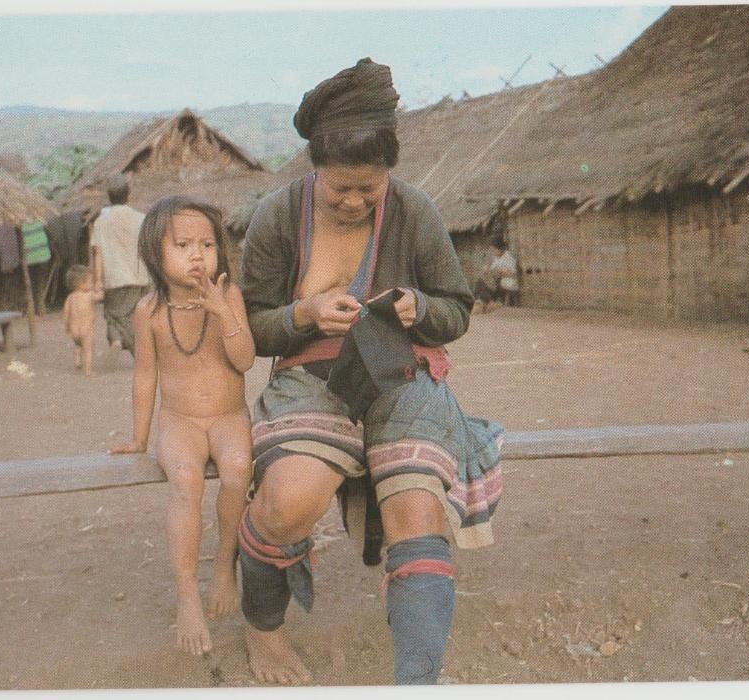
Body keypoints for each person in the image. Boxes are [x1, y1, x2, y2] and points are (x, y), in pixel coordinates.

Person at [239, 58, 503, 685]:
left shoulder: (415, 211)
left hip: (401, 376)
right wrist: (303, 313)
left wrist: (420, 309)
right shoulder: (278, 216)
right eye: (341, 189)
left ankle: (417, 678)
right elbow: (251, 326)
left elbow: (456, 309)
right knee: (288, 501)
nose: (356, 200)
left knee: (418, 514)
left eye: (370, 188)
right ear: (316, 169)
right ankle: (263, 630)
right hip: (310, 379)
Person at [109, 196, 255, 656]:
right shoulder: (148, 311)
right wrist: (138, 436)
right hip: (180, 421)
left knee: (236, 470)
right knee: (186, 482)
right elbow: (145, 375)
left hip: (230, 415)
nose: (198, 255)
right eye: (184, 245)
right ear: (156, 254)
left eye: (207, 244)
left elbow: (245, 359)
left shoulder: (228, 295)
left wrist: (222, 313)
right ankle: (187, 591)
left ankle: (225, 562)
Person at [90, 174, 151, 365]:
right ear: (128, 195)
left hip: (114, 278)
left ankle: (122, 343)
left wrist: (98, 281)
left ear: (109, 196)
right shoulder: (141, 219)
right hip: (139, 275)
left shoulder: (100, 222)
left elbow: (97, 254)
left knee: (113, 315)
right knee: (133, 316)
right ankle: (124, 343)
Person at [62, 264, 103, 376]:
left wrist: (67, 327)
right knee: (88, 349)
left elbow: (66, 314)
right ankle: (88, 370)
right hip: (86, 329)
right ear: (82, 283)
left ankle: (77, 359)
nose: (92, 284)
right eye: (90, 281)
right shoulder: (89, 295)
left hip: (74, 330)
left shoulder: (70, 298)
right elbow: (99, 297)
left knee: (78, 345)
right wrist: (99, 289)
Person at [472, 237, 519, 312]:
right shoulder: (496, 257)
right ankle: (483, 301)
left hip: (508, 280)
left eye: (494, 250)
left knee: (484, 281)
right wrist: (487, 268)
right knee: (481, 280)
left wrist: (500, 272)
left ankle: (484, 302)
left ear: (499, 248)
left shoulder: (509, 258)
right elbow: (491, 268)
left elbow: (513, 274)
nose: (492, 252)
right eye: (491, 250)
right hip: (495, 280)